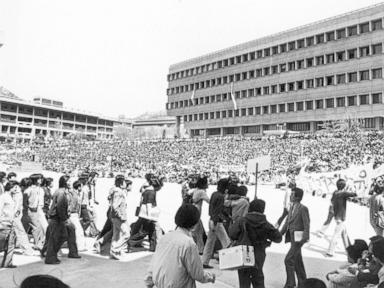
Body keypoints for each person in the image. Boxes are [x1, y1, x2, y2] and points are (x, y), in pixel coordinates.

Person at [144, 204, 215, 288]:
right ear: (195, 224)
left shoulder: (165, 237)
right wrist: (211, 277)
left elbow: (154, 264)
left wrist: (149, 282)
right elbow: (198, 274)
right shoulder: (189, 244)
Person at [229, 199, 282, 288]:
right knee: (258, 279)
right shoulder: (266, 224)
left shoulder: (242, 220)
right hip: (259, 255)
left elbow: (232, 234)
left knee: (244, 280)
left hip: (244, 254)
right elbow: (278, 238)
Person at [43, 175, 80, 264]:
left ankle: (51, 255)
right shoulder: (61, 193)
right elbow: (60, 207)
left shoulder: (63, 192)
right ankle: (50, 257)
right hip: (57, 218)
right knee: (56, 237)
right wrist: (64, 219)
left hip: (59, 218)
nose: (70, 183)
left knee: (62, 235)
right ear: (65, 182)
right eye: (69, 181)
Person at [280, 187, 310, 288]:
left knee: (288, 260)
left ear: (297, 197)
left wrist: (304, 238)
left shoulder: (303, 208)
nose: (290, 196)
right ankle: (303, 282)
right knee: (297, 260)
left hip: (298, 239)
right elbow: (287, 222)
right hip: (292, 237)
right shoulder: (292, 207)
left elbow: (307, 225)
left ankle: (290, 283)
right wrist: (279, 234)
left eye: (292, 194)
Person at [201, 178, 231, 269]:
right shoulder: (221, 196)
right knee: (226, 242)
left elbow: (213, 209)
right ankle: (228, 262)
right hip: (216, 221)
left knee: (210, 242)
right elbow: (218, 211)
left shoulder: (214, 194)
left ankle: (204, 261)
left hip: (211, 220)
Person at [327, 179, 357, 257]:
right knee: (336, 234)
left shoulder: (335, 192)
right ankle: (330, 251)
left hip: (336, 215)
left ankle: (349, 250)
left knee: (344, 234)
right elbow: (354, 194)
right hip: (341, 217)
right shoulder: (343, 193)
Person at [110, 175, 130, 259]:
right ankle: (115, 249)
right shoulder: (119, 192)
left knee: (116, 234)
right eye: (124, 182)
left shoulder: (115, 191)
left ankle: (114, 251)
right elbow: (115, 206)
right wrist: (120, 215)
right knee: (126, 234)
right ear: (121, 184)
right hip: (118, 217)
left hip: (114, 216)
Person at [24, 173, 46, 250]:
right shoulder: (29, 190)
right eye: (39, 179)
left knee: (39, 227)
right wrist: (30, 208)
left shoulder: (40, 189)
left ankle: (39, 243)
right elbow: (25, 202)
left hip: (39, 209)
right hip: (32, 210)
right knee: (37, 227)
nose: (41, 180)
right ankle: (38, 244)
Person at [0, 181, 18, 268]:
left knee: (11, 245)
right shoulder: (3, 197)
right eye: (15, 187)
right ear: (10, 187)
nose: (16, 189)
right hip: (4, 223)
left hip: (11, 223)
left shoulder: (12, 198)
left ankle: (7, 263)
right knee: (2, 244)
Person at [190, 175, 209, 254]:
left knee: (199, 231)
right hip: (197, 211)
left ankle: (201, 249)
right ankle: (198, 249)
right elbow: (209, 201)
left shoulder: (196, 190)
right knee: (196, 231)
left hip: (193, 210)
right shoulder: (202, 192)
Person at [69, 180, 86, 252]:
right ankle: (80, 246)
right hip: (73, 214)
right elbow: (72, 206)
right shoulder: (75, 195)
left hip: (74, 214)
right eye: (81, 186)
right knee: (79, 231)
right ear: (78, 187)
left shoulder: (74, 194)